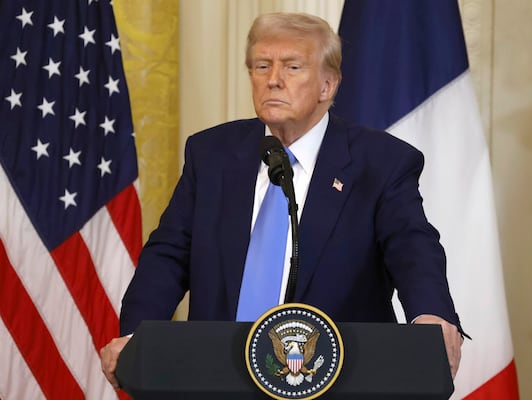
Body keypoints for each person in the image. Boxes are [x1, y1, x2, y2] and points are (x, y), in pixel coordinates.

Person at [100, 12, 465, 389]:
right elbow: (169, 254)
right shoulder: (212, 154)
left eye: (292, 67)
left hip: (336, 377)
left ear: (327, 85)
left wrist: (430, 314)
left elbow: (412, 246)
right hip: (215, 376)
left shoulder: (382, 162)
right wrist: (136, 333)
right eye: (262, 66)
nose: (273, 79)